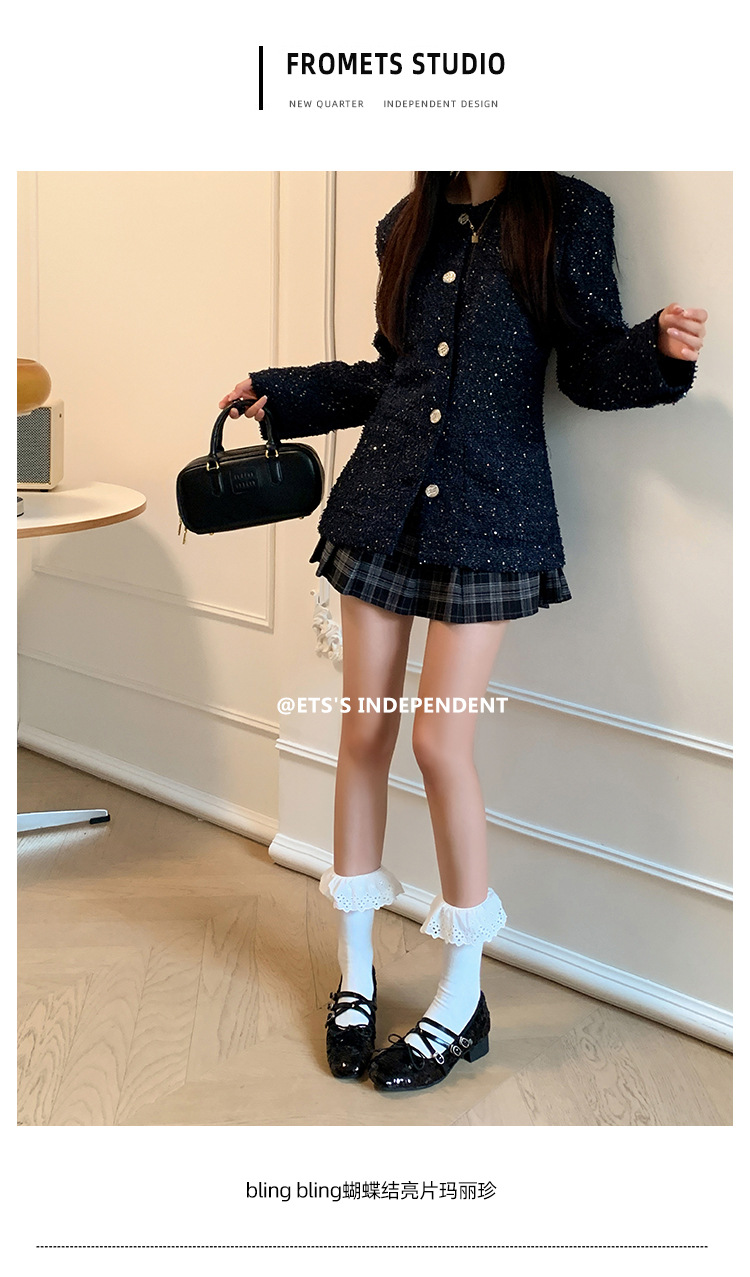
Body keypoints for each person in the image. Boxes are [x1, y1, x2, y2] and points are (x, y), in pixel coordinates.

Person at [220, 171, 707, 1094]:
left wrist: (655, 350)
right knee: (363, 731)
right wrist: (283, 392)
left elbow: (586, 367)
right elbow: (390, 373)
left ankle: (461, 995)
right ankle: (356, 974)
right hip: (380, 506)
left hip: (491, 515)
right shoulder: (403, 224)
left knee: (440, 743)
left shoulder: (570, 214)